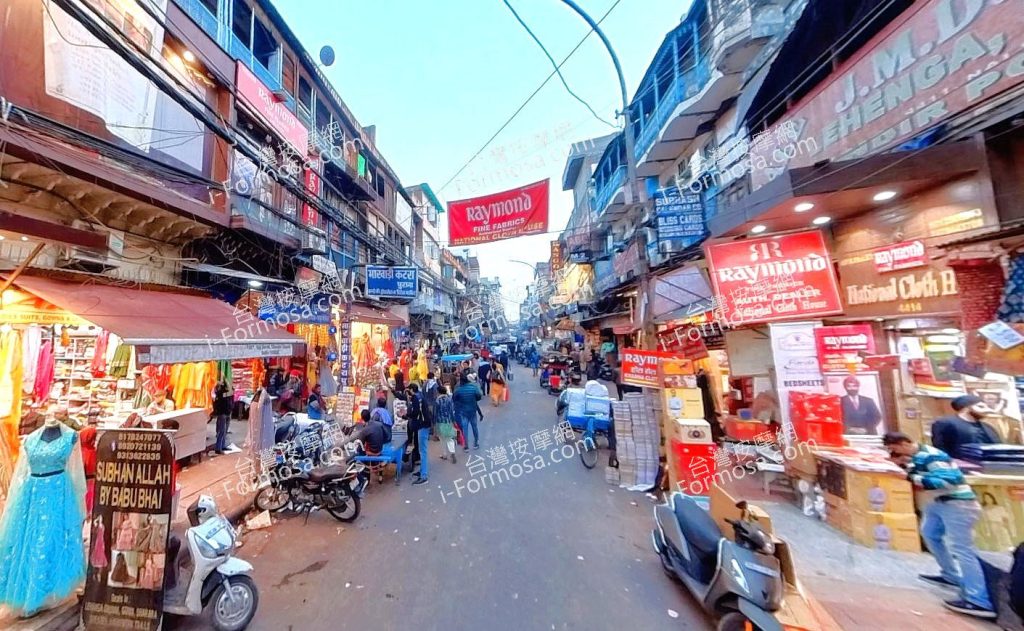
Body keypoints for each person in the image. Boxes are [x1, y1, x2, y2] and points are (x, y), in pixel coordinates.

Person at [883, 432, 996, 619]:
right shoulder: (918, 457)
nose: (894, 453)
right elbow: (921, 474)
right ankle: (951, 575)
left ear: (904, 444)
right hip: (939, 502)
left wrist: (907, 476)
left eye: (895, 449)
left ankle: (979, 600)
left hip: (957, 504)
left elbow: (947, 481)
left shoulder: (932, 456)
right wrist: (905, 466)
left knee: (963, 550)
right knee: (930, 533)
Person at [931, 395, 999, 461]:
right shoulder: (945, 423)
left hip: (990, 465)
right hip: (958, 465)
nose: (986, 410)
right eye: (981, 407)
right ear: (966, 408)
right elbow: (940, 448)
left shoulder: (988, 427)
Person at [452, 374, 483, 452]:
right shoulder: (473, 387)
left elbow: (454, 399)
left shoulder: (458, 390)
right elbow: (479, 396)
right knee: (474, 427)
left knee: (465, 429)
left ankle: (466, 446)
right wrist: (474, 399)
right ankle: (476, 443)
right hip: (472, 410)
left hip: (463, 412)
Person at [434, 385, 458, 464]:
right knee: (449, 438)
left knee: (442, 438)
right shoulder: (449, 399)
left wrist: (434, 424)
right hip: (448, 421)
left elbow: (435, 413)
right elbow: (452, 411)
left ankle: (444, 454)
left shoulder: (437, 401)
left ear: (438, 392)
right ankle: (452, 452)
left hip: (440, 422)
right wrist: (453, 421)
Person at [212, 380, 233, 454]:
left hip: (226, 412)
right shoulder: (222, 394)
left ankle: (222, 446)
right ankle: (218, 447)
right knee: (222, 431)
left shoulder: (224, 394)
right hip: (223, 413)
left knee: (223, 431)